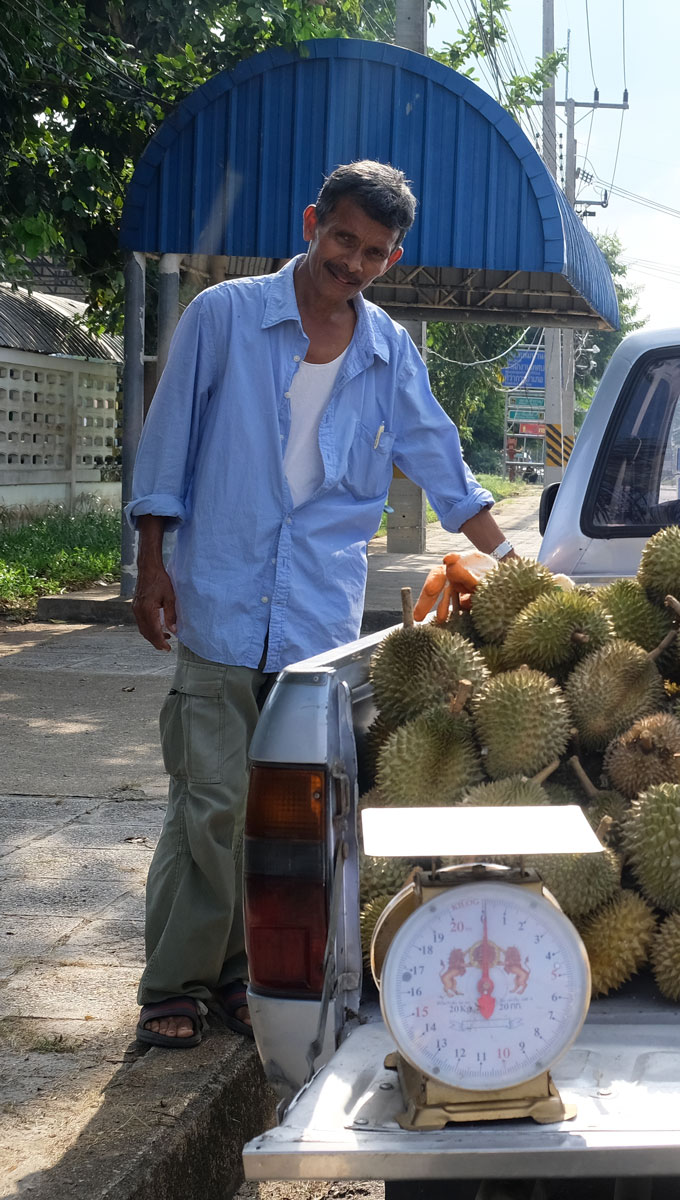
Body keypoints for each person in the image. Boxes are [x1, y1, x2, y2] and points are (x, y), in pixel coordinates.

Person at [126, 161, 517, 1048]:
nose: (354, 262)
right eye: (343, 239)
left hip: (315, 625)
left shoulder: (388, 352)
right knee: (211, 802)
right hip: (220, 600)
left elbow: (443, 465)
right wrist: (152, 565)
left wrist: (515, 563)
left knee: (285, 816)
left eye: (374, 252)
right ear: (313, 223)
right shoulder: (223, 318)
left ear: (393, 257)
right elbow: (167, 445)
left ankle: (239, 974)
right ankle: (173, 984)